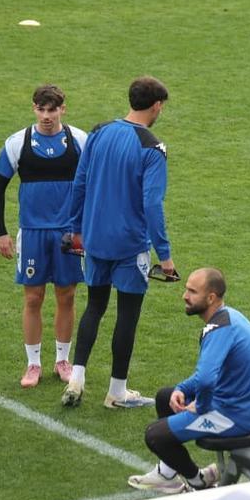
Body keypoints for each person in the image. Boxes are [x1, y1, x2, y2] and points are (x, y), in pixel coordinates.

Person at [59, 76, 175, 409]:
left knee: (94, 306)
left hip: (94, 239)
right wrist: (165, 256)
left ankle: (77, 379)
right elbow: (152, 204)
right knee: (127, 314)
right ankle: (117, 392)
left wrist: (75, 228)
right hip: (129, 244)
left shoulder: (99, 132)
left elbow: (80, 183)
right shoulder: (152, 148)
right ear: (157, 106)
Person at [129, 267, 250, 494]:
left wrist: (201, 406)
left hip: (233, 416)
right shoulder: (227, 318)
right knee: (166, 397)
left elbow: (206, 380)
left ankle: (198, 482)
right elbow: (207, 376)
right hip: (239, 406)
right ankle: (166, 474)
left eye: (192, 292)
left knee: (155, 436)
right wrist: (182, 389)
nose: (185, 296)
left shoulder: (218, 330)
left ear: (210, 298)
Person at [0, 84, 88, 388]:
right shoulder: (17, 143)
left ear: (63, 109)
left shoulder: (80, 140)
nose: (47, 116)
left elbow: (93, 185)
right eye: (41, 109)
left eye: (52, 109)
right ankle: (33, 364)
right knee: (33, 298)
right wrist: (1, 232)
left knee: (67, 295)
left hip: (69, 232)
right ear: (34, 109)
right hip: (32, 232)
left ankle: (62, 360)